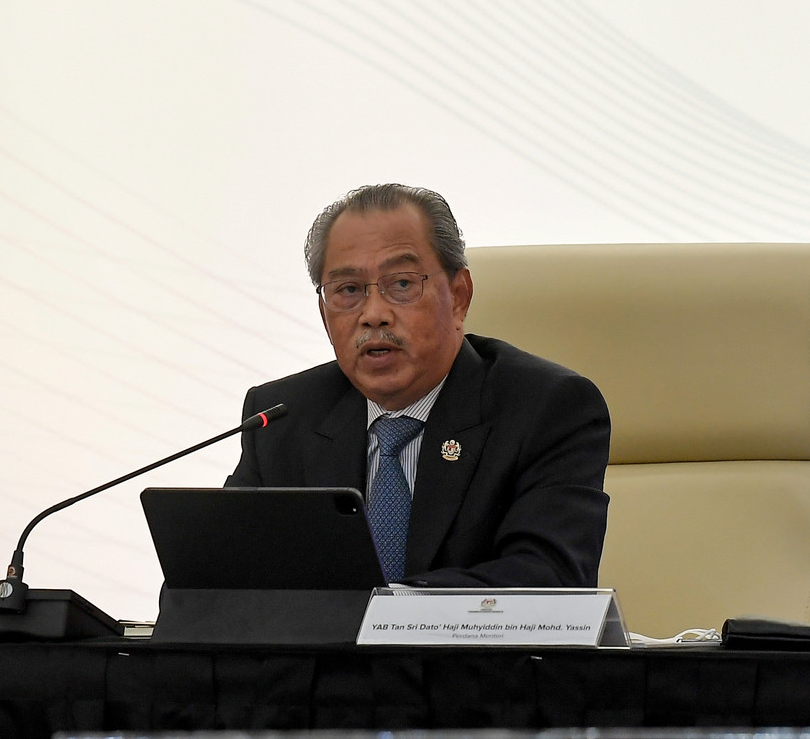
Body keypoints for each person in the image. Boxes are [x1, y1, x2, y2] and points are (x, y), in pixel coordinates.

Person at [225, 183, 610, 587]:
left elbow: (548, 579)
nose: (373, 315)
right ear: (325, 315)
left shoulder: (547, 408)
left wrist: (381, 615)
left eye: (402, 284)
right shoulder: (281, 417)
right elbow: (214, 578)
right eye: (349, 290)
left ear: (459, 297)